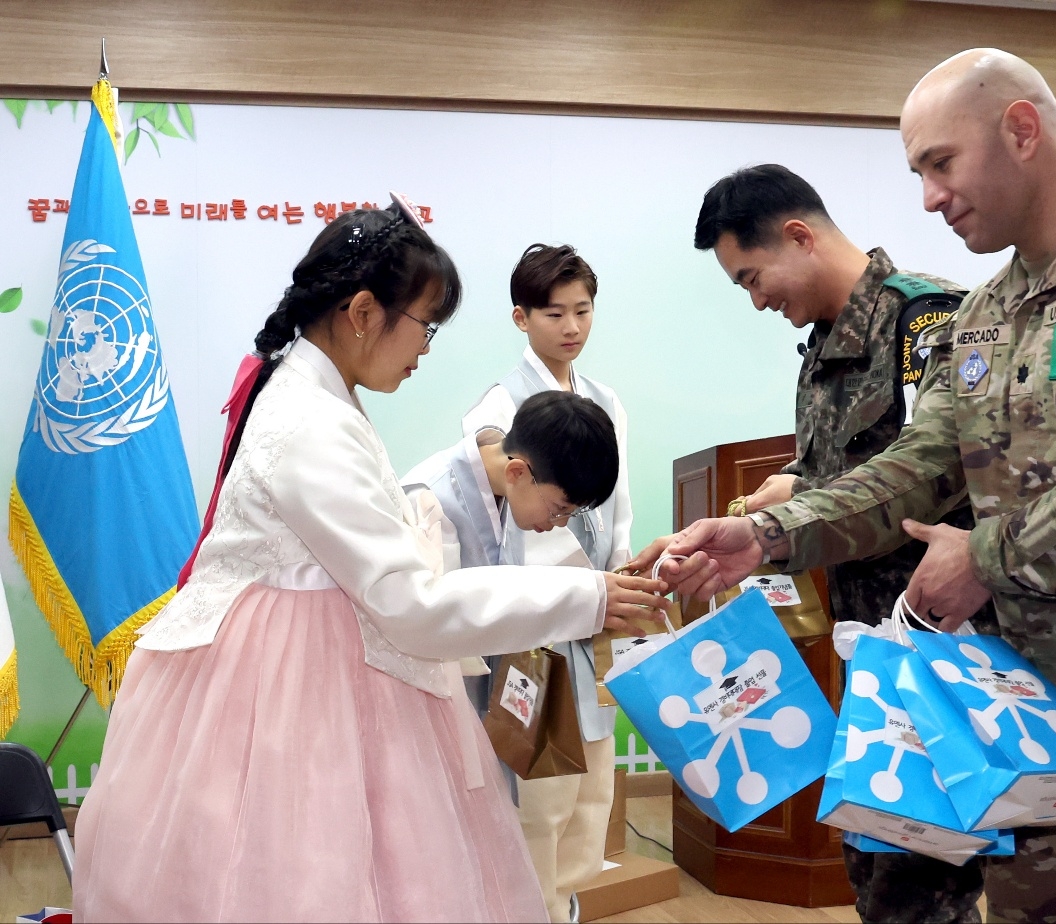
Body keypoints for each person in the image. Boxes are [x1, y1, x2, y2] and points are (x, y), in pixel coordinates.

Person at [632, 49, 1056, 923]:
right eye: (918, 171)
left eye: (940, 163)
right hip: (1036, 717)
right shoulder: (985, 314)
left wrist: (985, 558)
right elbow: (917, 468)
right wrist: (769, 535)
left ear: (1021, 130)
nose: (928, 197)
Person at [72, 201, 668, 923]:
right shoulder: (309, 425)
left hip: (312, 671)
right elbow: (412, 606)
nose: (426, 348)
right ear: (361, 312)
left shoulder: (317, 396)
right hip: (291, 694)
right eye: (425, 324)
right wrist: (590, 598)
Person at [693, 163, 984, 924]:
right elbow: (846, 466)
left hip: (940, 653)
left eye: (753, 277)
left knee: (921, 883)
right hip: (871, 651)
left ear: (799, 236)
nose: (757, 300)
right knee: (879, 868)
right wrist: (788, 485)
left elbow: (929, 470)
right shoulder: (825, 346)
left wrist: (768, 531)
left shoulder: (926, 322)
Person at [461, 243, 630, 924]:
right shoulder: (499, 405)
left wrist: (617, 582)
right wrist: (578, 595)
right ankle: (530, 909)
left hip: (596, 619)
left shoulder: (604, 399)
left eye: (583, 310)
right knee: (542, 798)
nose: (571, 326)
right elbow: (514, 507)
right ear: (520, 317)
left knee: (594, 790)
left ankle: (567, 905)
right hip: (536, 627)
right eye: (554, 312)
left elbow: (615, 512)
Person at [402, 389, 620, 722]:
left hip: (486, 701)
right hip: (432, 702)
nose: (560, 522)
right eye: (560, 508)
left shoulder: (514, 491)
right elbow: (428, 620)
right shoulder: (430, 499)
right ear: (517, 471)